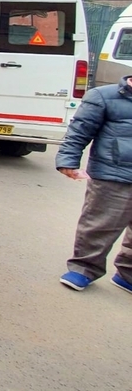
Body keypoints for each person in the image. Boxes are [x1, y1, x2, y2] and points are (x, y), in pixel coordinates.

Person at [56, 74, 132, 295]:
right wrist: (68, 161)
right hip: (114, 174)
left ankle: (127, 275)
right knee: (100, 225)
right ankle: (84, 268)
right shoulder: (103, 96)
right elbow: (79, 131)